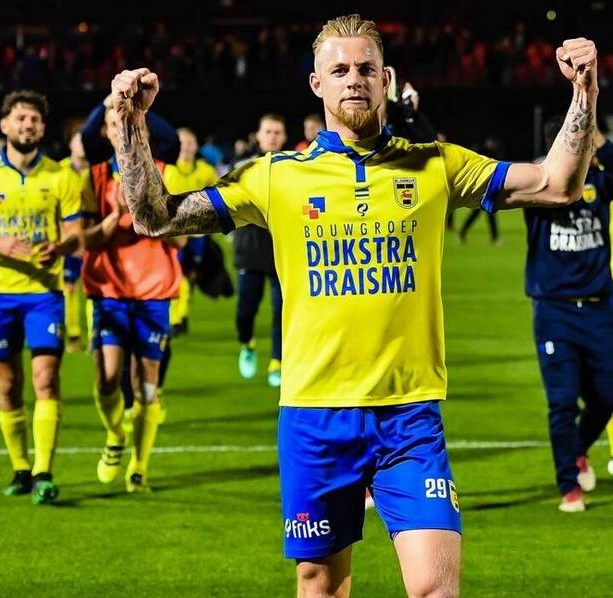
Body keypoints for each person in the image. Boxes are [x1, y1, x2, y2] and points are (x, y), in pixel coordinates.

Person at [109, 14, 597, 596]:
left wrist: (584, 92)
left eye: (366, 68)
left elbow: (558, 184)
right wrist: (130, 125)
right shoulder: (275, 176)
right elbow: (154, 217)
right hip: (314, 416)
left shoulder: (435, 164)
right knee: (320, 585)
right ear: (316, 84)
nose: (354, 79)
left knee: (436, 589)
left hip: (409, 417)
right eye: (339, 70)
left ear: (386, 79)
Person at [0, 90, 83, 505]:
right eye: (21, 118)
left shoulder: (61, 175)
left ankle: (44, 472)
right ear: (5, 125)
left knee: (46, 379)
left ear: (43, 128)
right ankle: (20, 468)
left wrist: (60, 247)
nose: (28, 125)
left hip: (44, 292)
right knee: (8, 385)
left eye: (35, 119)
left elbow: (76, 233)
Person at [80, 95, 182, 494]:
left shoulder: (165, 173)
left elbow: (181, 240)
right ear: (106, 134)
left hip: (154, 292)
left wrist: (147, 214)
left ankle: (139, 468)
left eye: (127, 123)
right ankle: (114, 435)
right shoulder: (93, 178)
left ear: (140, 130)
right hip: (109, 291)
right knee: (107, 379)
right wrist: (114, 218)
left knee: (147, 384)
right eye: (113, 124)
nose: (119, 129)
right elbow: (84, 240)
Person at [524, 117, 613, 511]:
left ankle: (577, 450)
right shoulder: (539, 183)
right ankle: (568, 485)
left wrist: (601, 139)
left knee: (607, 396)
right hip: (554, 309)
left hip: (598, 306)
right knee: (562, 401)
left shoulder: (601, 181)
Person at [233, 113, 285, 388]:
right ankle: (247, 343)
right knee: (245, 312)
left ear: (284, 137)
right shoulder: (243, 166)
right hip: (250, 250)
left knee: (282, 311)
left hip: (282, 251)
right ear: (259, 135)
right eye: (268, 132)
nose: (273, 137)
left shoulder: (293, 167)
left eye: (277, 132)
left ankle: (277, 361)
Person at [164, 127, 219, 336]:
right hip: (174, 232)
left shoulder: (205, 170)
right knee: (176, 273)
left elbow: (219, 195)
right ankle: (176, 318)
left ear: (196, 146)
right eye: (182, 142)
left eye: (190, 142)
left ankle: (181, 315)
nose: (186, 147)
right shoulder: (167, 169)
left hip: (197, 233)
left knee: (190, 275)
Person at [60, 129, 89, 352]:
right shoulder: (58, 171)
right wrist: (68, 239)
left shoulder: (96, 171)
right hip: (68, 238)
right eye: (79, 140)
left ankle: (95, 336)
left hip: (91, 238)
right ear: (70, 144)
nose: (82, 145)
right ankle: (73, 333)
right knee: (69, 287)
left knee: (92, 289)